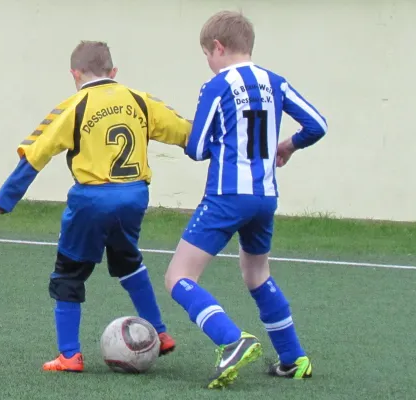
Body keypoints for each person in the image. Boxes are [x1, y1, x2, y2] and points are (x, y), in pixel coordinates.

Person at [0, 40, 192, 372]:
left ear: (74, 74)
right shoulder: (140, 99)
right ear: (114, 72)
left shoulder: (74, 105)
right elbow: (183, 131)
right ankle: (161, 333)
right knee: (128, 262)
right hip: (134, 196)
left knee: (68, 273)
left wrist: (4, 200)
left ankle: (69, 355)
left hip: (92, 201)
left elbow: (37, 152)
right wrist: (209, 150)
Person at [164, 11, 328, 389]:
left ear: (218, 47)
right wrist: (288, 144)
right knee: (257, 275)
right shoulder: (276, 82)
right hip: (265, 196)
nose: (208, 62)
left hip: (226, 196)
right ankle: (294, 358)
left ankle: (230, 339)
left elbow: (196, 148)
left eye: (207, 53)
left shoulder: (217, 85)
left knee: (178, 277)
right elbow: (317, 124)